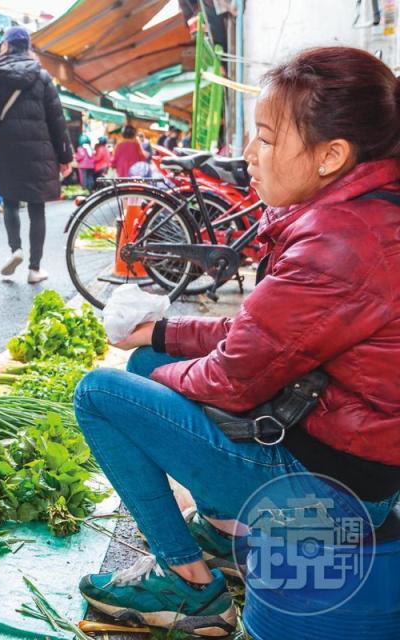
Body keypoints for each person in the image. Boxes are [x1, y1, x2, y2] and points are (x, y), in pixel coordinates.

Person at [73, 46, 400, 636]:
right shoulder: (363, 215)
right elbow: (268, 335)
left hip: (330, 498)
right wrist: (163, 333)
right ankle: (226, 535)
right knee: (151, 358)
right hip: (344, 456)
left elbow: (232, 376)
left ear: (331, 156)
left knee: (100, 393)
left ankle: (192, 588)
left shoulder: (339, 245)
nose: (250, 156)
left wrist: (154, 377)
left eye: (268, 140)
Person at [0, 26, 73, 284]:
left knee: (9, 201)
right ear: (27, 47)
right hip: (38, 150)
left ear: (7, 45)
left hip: (7, 147)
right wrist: (65, 157)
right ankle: (34, 269)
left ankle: (15, 249)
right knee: (36, 206)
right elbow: (57, 119)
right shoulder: (41, 76)